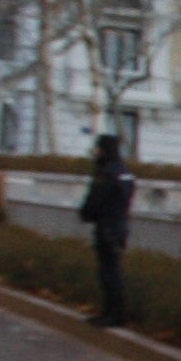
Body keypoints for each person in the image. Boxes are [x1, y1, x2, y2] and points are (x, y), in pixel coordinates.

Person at [78, 133, 134, 327]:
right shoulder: (126, 172)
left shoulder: (106, 174)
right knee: (115, 271)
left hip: (107, 227)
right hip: (121, 227)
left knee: (108, 273)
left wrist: (86, 214)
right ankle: (117, 312)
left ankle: (112, 314)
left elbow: (95, 201)